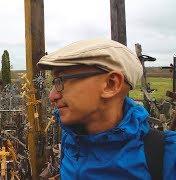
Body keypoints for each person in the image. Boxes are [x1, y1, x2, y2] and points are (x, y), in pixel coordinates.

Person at [37, 38, 176, 179]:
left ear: (111, 84)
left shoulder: (167, 155)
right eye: (53, 82)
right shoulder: (70, 137)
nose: (52, 95)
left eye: (61, 81)